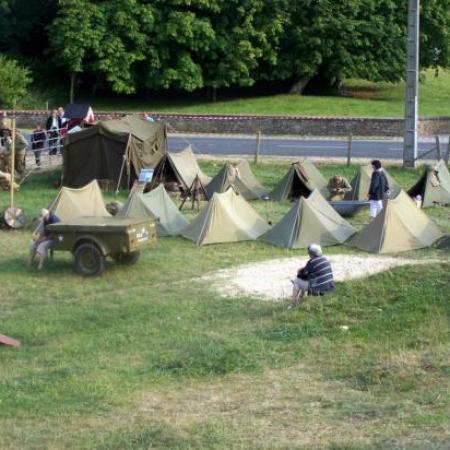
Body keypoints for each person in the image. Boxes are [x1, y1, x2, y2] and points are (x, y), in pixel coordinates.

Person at [290, 244, 335, 308]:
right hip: (329, 287)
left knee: (297, 281)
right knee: (306, 279)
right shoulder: (325, 259)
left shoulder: (311, 262)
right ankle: (300, 299)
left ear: (310, 254)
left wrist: (299, 272)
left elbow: (301, 275)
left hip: (319, 289)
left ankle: (293, 304)